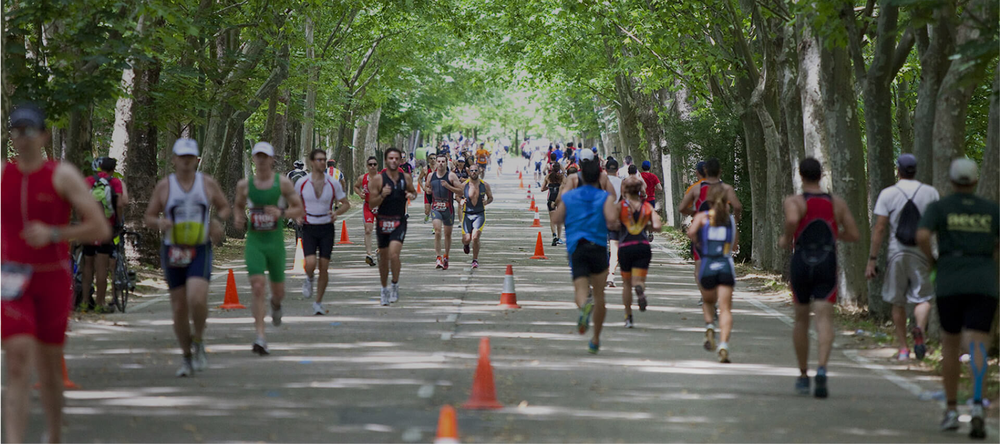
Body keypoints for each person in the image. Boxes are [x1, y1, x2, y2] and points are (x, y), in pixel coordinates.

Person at [2, 104, 112, 443]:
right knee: (18, 359)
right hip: (12, 281)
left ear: (44, 134)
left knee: (50, 366)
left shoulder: (61, 175)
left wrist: (54, 234)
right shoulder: (3, 175)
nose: (24, 138)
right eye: (17, 131)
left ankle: (53, 435)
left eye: (30, 130)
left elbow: (99, 227)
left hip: (52, 277)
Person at [916, 158, 998, 438]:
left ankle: (951, 410)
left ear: (951, 182)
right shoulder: (991, 210)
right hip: (983, 281)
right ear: (975, 181)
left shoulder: (940, 207)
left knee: (950, 345)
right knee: (977, 344)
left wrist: (933, 261)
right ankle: (977, 405)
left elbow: (923, 234)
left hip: (950, 280)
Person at [143, 138, 230, 376]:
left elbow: (224, 207)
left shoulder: (207, 183)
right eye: (182, 158)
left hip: (199, 248)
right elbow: (148, 216)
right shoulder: (165, 186)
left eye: (190, 158)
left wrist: (217, 222)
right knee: (179, 306)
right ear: (174, 160)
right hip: (173, 250)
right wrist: (160, 222)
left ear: (196, 160)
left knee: (197, 298)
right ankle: (187, 356)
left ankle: (199, 340)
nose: (186, 162)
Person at [779, 158, 860, 399]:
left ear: (800, 175)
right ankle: (822, 367)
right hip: (827, 259)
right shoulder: (837, 203)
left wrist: (786, 238)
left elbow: (793, 220)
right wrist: (834, 235)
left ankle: (803, 375)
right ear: (821, 175)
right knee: (824, 319)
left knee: (801, 319)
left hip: (802, 259)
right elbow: (854, 234)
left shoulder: (794, 201)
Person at [865, 154, 939, 361]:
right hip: (923, 251)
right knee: (923, 298)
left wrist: (872, 259)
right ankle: (919, 331)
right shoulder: (930, 192)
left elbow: (880, 228)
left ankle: (904, 348)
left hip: (897, 252)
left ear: (898, 170)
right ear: (916, 170)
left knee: (897, 302)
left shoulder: (889, 193)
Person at [234, 142, 305, 355]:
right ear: (254, 159)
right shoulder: (245, 186)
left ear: (272, 159)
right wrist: (239, 218)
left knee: (278, 292)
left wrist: (281, 213)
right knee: (257, 286)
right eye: (258, 156)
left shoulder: (282, 183)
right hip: (255, 243)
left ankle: (276, 305)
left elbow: (299, 208)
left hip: (275, 243)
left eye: (265, 156)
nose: (262, 160)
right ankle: (260, 337)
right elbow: (238, 205)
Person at [551, 156, 619, 354]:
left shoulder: (570, 197)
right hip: (597, 247)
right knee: (599, 295)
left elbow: (556, 218)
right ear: (598, 177)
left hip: (577, 248)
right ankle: (595, 339)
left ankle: (583, 308)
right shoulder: (603, 197)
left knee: (581, 290)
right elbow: (613, 220)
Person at [678, 159, 742, 308]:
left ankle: (705, 296)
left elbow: (681, 207)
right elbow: (737, 206)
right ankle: (717, 294)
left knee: (699, 266)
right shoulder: (726, 188)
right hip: (722, 226)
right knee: (722, 259)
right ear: (720, 171)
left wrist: (696, 212)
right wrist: (734, 219)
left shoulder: (696, 188)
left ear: (704, 172)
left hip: (702, 229)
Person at [688, 183, 738, 363]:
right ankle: (724, 345)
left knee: (708, 302)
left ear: (708, 199)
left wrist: (700, 243)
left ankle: (709, 326)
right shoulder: (730, 220)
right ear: (727, 201)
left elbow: (691, 233)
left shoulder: (702, 217)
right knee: (725, 309)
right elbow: (734, 246)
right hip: (725, 265)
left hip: (707, 264)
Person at [296, 149, 350, 315]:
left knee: (324, 266)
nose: (322, 162)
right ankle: (309, 278)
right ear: (312, 162)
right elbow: (294, 202)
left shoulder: (332, 183)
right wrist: (298, 215)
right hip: (309, 226)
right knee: (311, 263)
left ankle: (318, 302)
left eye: (324, 160)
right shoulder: (302, 183)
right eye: (318, 160)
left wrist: (336, 213)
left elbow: (346, 203)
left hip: (326, 226)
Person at [368, 148, 417, 306]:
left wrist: (411, 195)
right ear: (386, 160)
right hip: (383, 221)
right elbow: (371, 203)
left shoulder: (406, 178)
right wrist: (382, 195)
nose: (394, 161)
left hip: (398, 221)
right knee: (383, 258)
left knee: (394, 254)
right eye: (391, 158)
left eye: (397, 158)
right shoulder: (377, 180)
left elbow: (414, 192)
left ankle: (394, 284)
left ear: (401, 160)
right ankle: (384, 289)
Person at [81, 156, 129, 313]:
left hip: (88, 228)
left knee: (88, 265)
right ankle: (100, 303)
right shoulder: (114, 182)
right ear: (113, 169)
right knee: (102, 266)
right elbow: (120, 203)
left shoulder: (88, 180)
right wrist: (118, 223)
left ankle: (85, 302)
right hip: (105, 228)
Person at [617, 176, 662, 329]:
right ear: (640, 191)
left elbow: (610, 223)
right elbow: (657, 226)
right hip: (643, 246)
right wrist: (645, 226)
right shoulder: (647, 207)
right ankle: (640, 290)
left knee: (626, 284)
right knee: (639, 280)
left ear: (625, 191)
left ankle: (628, 317)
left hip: (625, 247)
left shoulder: (620, 206)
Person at [427, 154, 463, 270]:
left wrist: (448, 186)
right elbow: (427, 189)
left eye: (443, 161)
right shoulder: (431, 176)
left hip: (448, 208)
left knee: (447, 234)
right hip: (436, 206)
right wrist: (427, 194)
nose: (441, 163)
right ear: (436, 163)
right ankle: (438, 257)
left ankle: (446, 256)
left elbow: (461, 191)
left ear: (446, 163)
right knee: (437, 231)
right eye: (439, 161)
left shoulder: (451, 176)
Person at [460, 163, 494, 269]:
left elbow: (491, 197)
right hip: (467, 214)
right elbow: (457, 196)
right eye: (472, 171)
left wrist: (486, 202)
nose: (474, 172)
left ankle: (475, 259)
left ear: (479, 172)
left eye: (476, 170)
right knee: (467, 239)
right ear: (468, 172)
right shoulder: (464, 185)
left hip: (479, 214)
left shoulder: (485, 185)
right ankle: (466, 244)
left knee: (475, 237)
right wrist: (461, 200)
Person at [354, 156, 380, 267]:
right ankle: (369, 254)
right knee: (368, 230)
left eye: (374, 164)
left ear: (377, 165)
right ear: (367, 166)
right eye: (370, 164)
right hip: (368, 206)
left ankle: (380, 249)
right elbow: (356, 186)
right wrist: (360, 194)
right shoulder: (362, 178)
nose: (372, 166)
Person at [605, 159, 623, 288]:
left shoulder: (600, 182)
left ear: (605, 170)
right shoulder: (622, 183)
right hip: (615, 218)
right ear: (617, 170)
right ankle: (611, 275)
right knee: (614, 248)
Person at [544, 161, 566, 246]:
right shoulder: (562, 177)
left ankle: (554, 235)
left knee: (552, 219)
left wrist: (550, 187)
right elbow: (566, 182)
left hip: (551, 199)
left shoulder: (547, 177)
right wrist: (562, 169)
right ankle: (559, 238)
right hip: (560, 200)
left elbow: (542, 188)